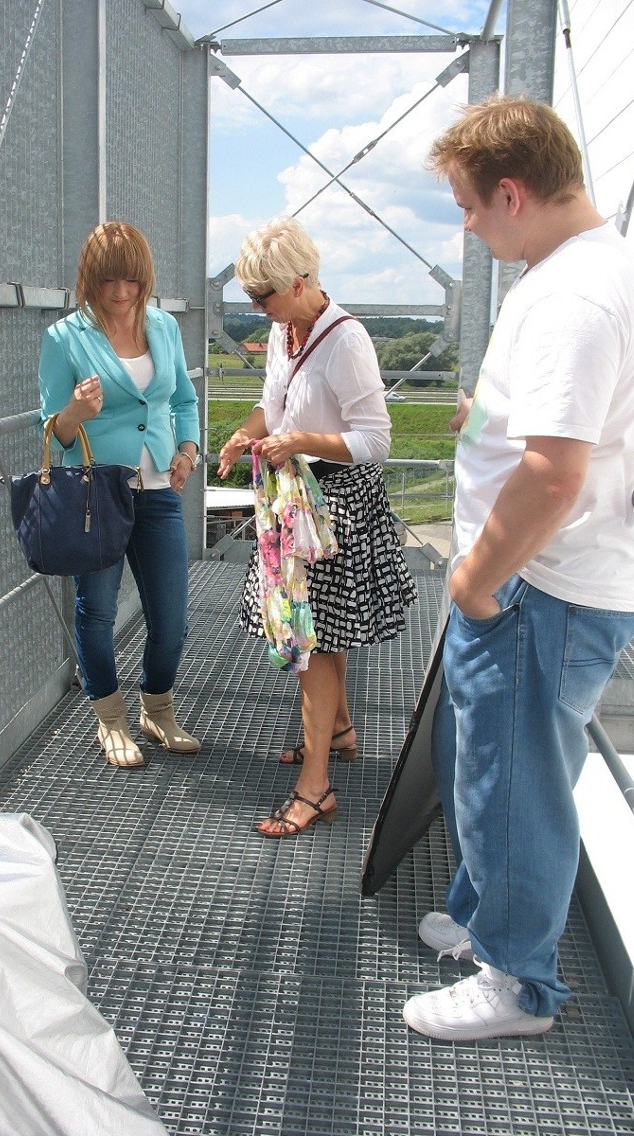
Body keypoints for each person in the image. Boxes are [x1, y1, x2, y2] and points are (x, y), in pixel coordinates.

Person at [403, 96, 634, 1041]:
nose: (465, 223)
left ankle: (516, 982)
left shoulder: (569, 296)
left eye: (468, 204)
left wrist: (474, 581)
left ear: (511, 192)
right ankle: (482, 919)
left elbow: (553, 475)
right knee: (495, 771)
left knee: (516, 783)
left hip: (540, 587)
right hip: (556, 581)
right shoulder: (599, 268)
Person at [218, 217, 417, 837]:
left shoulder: (345, 340)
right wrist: (247, 434)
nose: (257, 309)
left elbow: (376, 439)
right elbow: (272, 406)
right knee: (321, 635)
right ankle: (339, 732)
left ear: (300, 282)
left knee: (313, 642)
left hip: (334, 506)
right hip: (300, 498)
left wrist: (301, 440)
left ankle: (315, 785)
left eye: (263, 297)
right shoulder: (287, 331)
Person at [38, 221, 202, 769]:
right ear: (90, 279)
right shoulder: (65, 338)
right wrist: (76, 414)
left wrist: (187, 451)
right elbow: (53, 431)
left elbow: (182, 399)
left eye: (131, 280)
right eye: (109, 281)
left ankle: (158, 708)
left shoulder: (163, 327)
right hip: (97, 494)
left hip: (158, 489)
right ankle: (109, 718)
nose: (121, 292)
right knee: (98, 611)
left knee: (172, 614)